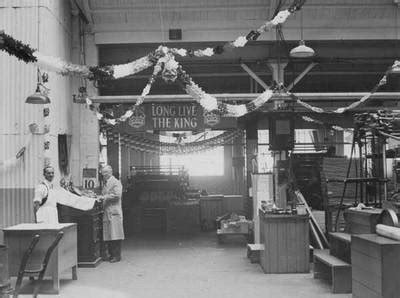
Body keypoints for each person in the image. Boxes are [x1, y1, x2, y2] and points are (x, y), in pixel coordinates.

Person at [98, 165, 124, 263]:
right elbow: (106, 194)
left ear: (110, 172)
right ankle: (111, 254)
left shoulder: (116, 182)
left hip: (114, 212)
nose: (103, 175)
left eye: (105, 173)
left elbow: (117, 195)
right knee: (109, 234)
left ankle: (117, 256)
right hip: (108, 211)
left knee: (116, 234)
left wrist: (104, 197)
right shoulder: (106, 183)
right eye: (103, 173)